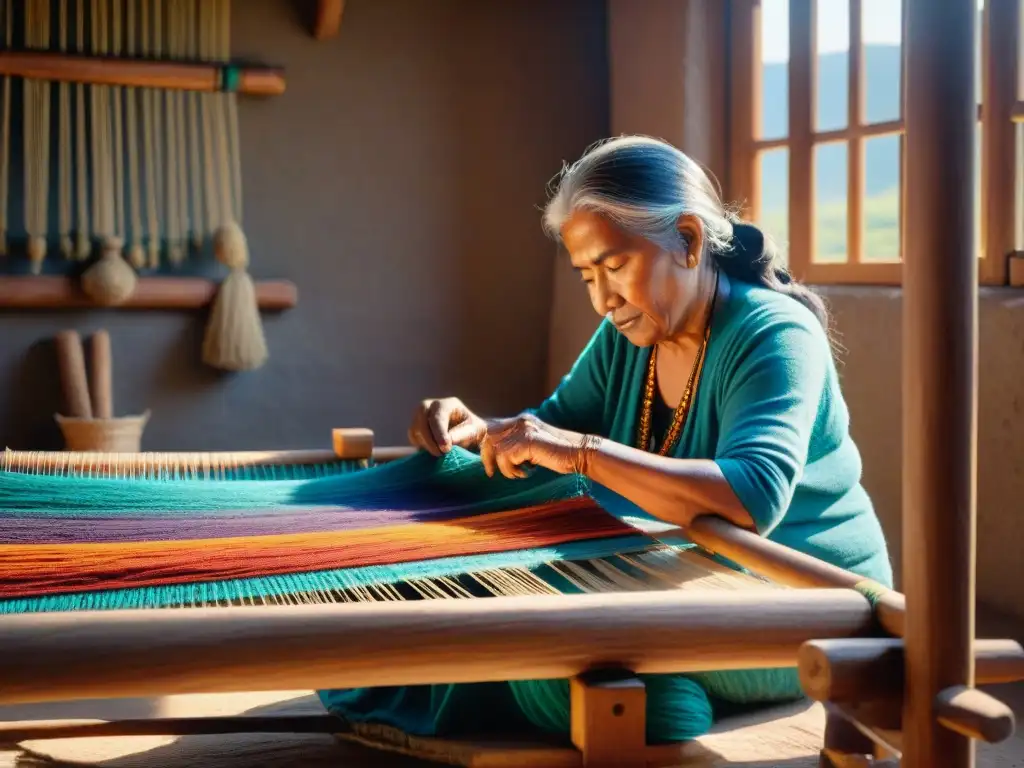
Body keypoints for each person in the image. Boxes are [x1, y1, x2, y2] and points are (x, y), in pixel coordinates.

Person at [320, 135, 892, 744]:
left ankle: (651, 704)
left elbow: (752, 497)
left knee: (537, 641)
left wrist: (577, 450)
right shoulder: (629, 334)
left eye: (615, 266)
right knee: (481, 605)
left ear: (690, 241)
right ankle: (647, 697)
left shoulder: (774, 332)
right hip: (686, 573)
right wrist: (475, 430)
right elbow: (548, 428)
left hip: (807, 599)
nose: (602, 300)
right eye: (587, 275)